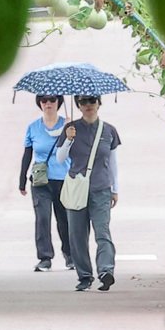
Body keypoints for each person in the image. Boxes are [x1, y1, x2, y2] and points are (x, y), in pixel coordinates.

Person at [54, 94, 121, 292]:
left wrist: (115, 189)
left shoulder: (109, 130)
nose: (88, 105)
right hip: (77, 187)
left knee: (103, 231)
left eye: (92, 101)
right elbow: (60, 158)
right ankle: (84, 275)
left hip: (101, 188)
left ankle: (106, 271)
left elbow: (113, 163)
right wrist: (68, 140)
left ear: (99, 103)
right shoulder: (70, 129)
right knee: (77, 235)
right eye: (83, 102)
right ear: (78, 105)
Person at [18, 94, 73, 272]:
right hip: (41, 180)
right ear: (39, 103)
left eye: (52, 100)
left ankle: (70, 255)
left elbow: (78, 151)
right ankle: (45, 257)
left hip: (63, 178)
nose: (48, 103)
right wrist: (22, 180)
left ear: (58, 103)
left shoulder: (68, 125)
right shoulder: (33, 127)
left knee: (64, 219)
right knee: (42, 219)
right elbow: (27, 154)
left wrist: (71, 132)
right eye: (43, 100)